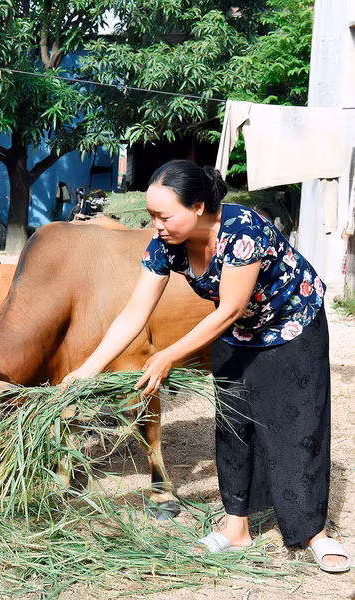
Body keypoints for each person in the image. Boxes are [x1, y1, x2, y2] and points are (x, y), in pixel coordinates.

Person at [62, 160, 350, 573]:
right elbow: (133, 313)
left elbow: (230, 308)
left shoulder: (242, 229)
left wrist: (168, 355)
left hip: (291, 326)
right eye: (151, 216)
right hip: (238, 332)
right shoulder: (165, 245)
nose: (156, 225)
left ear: (198, 207)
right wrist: (87, 369)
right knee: (234, 425)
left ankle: (314, 533)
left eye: (164, 215)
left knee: (297, 425)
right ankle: (236, 528)